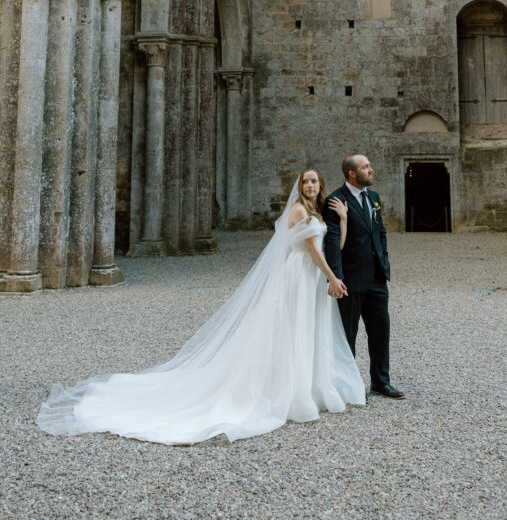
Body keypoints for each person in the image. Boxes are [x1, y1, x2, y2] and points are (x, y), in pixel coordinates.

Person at [37, 168, 365, 444]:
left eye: (314, 181)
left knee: (307, 329)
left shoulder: (317, 213)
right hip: (301, 274)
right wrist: (332, 278)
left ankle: (307, 386)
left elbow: (332, 247)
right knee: (293, 328)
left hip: (312, 276)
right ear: (300, 186)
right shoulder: (298, 211)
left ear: (321, 185)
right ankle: (291, 391)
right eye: (306, 181)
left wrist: (344, 221)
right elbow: (313, 251)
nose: (310, 185)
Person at [324, 154, 404, 399]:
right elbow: (332, 241)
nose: (371, 170)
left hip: (377, 277)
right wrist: (336, 277)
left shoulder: (374, 197)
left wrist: (384, 260)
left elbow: (379, 231)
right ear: (351, 173)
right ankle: (347, 386)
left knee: (380, 331)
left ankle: (381, 382)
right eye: (365, 167)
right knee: (348, 335)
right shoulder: (335, 200)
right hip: (350, 279)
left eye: (369, 166)